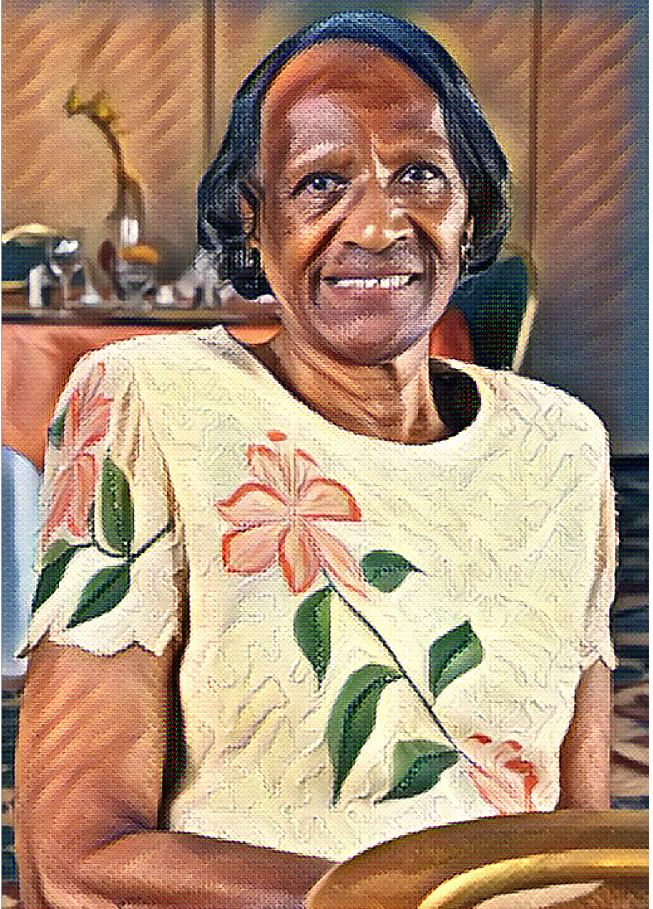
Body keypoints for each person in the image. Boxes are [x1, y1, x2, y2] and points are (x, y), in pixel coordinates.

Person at [15, 11, 615, 909]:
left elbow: (577, 834)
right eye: (320, 183)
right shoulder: (150, 401)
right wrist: (400, 901)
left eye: (418, 174)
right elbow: (75, 852)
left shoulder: (562, 443)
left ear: (472, 207)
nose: (376, 226)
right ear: (253, 224)